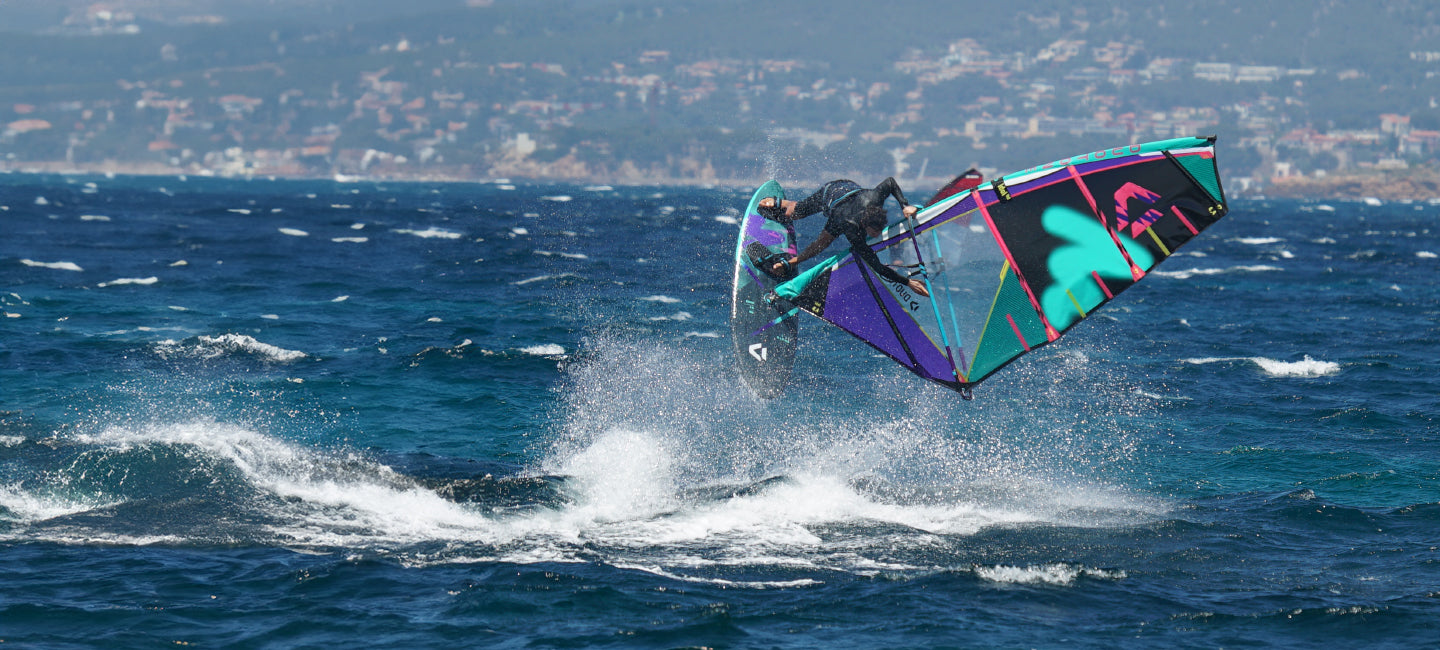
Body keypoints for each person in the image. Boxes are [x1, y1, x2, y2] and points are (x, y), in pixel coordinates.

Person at [758, 177, 930, 297]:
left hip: (851, 188)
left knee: (816, 236)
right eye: (874, 232)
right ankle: (783, 206)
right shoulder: (848, 226)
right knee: (804, 225)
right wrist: (908, 282)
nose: (876, 235)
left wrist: (905, 205)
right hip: (831, 194)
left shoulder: (875, 198)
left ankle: (790, 211)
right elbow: (876, 266)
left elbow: (891, 182)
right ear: (864, 224)